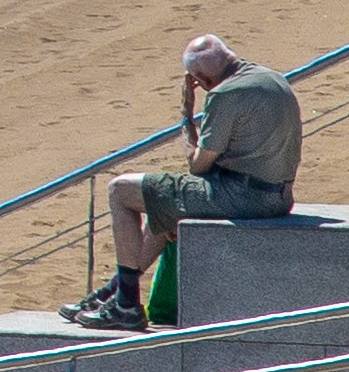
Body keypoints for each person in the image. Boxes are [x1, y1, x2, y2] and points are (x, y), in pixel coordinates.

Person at [67, 35, 299, 329]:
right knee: (164, 202)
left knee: (121, 190)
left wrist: (187, 114)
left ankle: (126, 306)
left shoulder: (225, 94)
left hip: (244, 197)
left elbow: (198, 166)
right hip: (278, 196)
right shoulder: (273, 79)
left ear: (200, 78)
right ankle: (113, 291)